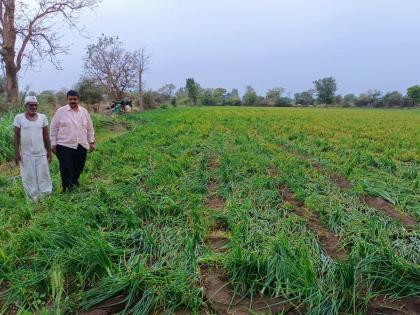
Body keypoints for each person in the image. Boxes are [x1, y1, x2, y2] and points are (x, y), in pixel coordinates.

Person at [50, 90, 95, 191]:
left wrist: (91, 142)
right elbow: (53, 128)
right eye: (70, 99)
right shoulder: (61, 112)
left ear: (78, 99)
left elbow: (89, 128)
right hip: (64, 145)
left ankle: (74, 182)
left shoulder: (84, 112)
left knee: (79, 166)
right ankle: (66, 188)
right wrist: (53, 143)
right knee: (66, 167)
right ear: (67, 100)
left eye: (74, 99)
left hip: (81, 144)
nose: (72, 101)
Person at [13, 96, 53, 201]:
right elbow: (16, 136)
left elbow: (46, 136)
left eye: (35, 105)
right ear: (25, 106)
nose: (34, 107)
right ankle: (32, 199)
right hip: (26, 154)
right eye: (31, 105)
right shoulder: (19, 118)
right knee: (28, 177)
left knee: (44, 176)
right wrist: (17, 153)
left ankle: (45, 198)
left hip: (41, 153)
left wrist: (49, 151)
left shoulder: (42, 117)